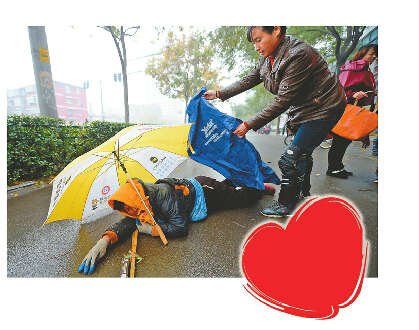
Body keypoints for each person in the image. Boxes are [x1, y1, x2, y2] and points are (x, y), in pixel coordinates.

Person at [203, 26, 346, 217]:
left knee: (291, 157)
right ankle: (302, 193)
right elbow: (250, 79)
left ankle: (286, 204)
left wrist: (248, 124)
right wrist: (220, 93)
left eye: (258, 39)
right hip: (305, 109)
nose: (256, 47)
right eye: (254, 42)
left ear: (276, 30)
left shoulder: (298, 54)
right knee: (301, 154)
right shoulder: (268, 57)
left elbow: (283, 101)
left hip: (325, 106)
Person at [78, 176, 275, 275]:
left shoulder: (163, 197)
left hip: (204, 193)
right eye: (129, 211)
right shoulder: (141, 202)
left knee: (237, 198)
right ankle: (236, 179)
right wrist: (105, 240)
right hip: (189, 192)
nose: (133, 215)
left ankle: (259, 187)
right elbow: (129, 221)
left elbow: (180, 228)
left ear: (140, 201)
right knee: (226, 187)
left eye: (132, 210)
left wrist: (153, 230)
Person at [326, 44, 378, 179]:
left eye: (375, 54)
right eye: (371, 53)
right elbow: (340, 89)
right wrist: (353, 94)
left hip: (357, 110)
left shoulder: (365, 70)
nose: (374, 56)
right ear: (362, 53)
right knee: (340, 139)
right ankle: (333, 169)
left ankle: (337, 166)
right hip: (348, 110)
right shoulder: (353, 68)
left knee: (344, 140)